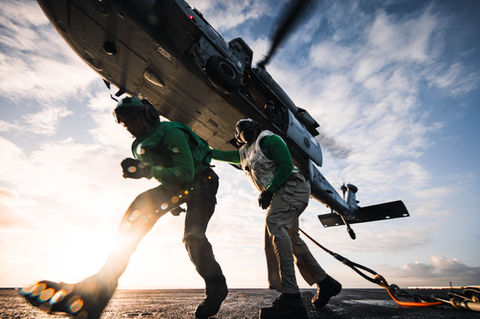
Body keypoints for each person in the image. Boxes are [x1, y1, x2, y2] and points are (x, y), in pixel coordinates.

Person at [20, 97, 228, 319]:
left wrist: (148, 171)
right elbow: (171, 174)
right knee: (140, 206)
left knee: (193, 237)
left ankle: (217, 287)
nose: (126, 124)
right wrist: (156, 180)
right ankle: (95, 295)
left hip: (203, 182)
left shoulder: (172, 133)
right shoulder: (144, 144)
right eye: (123, 120)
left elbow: (186, 173)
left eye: (130, 117)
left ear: (147, 115)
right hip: (181, 186)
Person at [211, 118, 342, 319]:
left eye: (248, 127)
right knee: (292, 240)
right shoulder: (244, 153)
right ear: (238, 137)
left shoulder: (269, 140)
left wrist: (269, 191)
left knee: (274, 224)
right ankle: (325, 283)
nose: (246, 130)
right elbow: (219, 154)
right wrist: (198, 146)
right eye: (241, 130)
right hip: (281, 194)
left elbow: (286, 165)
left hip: (292, 188)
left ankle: (291, 296)